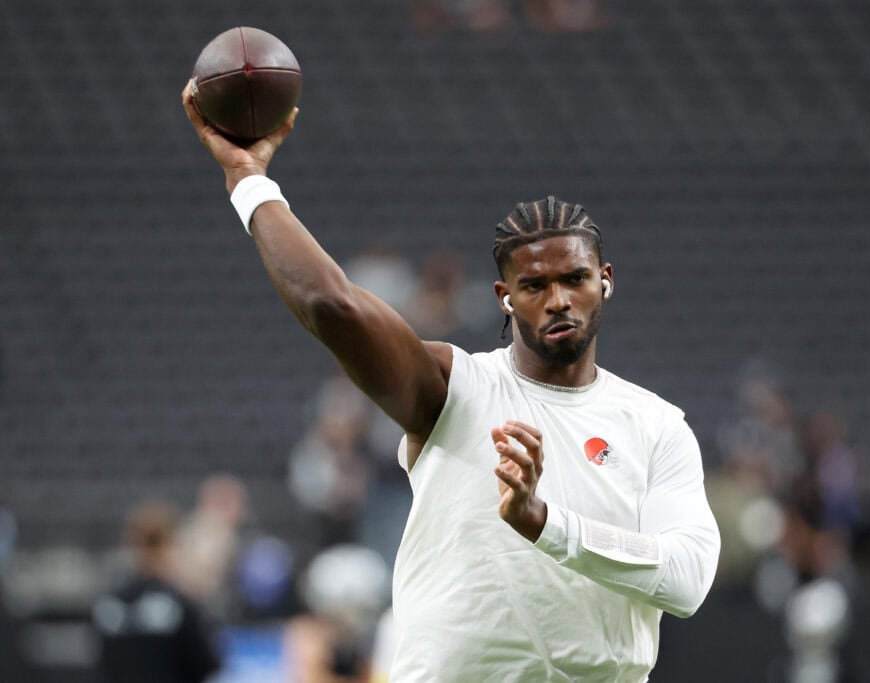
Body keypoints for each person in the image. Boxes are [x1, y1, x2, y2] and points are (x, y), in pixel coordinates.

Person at [182, 81, 720, 682]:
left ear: (606, 279)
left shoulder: (655, 425)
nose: (559, 300)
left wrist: (544, 523)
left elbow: (688, 579)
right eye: (534, 286)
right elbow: (333, 306)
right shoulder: (454, 386)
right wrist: (248, 180)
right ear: (504, 298)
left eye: (576, 278)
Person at [92, 500, 221, 683]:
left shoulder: (111, 603)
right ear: (169, 545)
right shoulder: (180, 604)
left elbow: (103, 664)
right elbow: (208, 663)